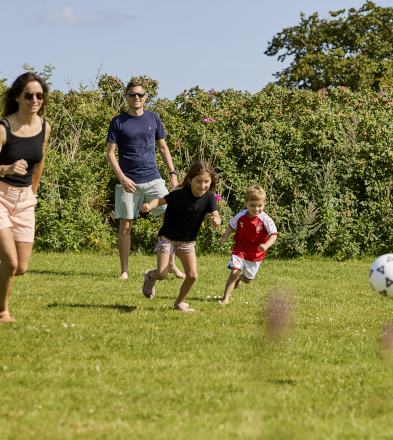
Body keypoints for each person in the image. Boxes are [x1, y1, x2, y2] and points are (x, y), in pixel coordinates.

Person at [0, 73, 51, 323]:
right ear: (17, 97)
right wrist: (7, 168)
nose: (34, 100)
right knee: (10, 262)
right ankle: (2, 311)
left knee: (21, 267)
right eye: (28, 95)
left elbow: (39, 164)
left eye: (39, 95)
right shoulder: (2, 128)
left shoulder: (45, 126)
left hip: (24, 198)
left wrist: (32, 195)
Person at [106, 78, 182, 281]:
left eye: (140, 94)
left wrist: (173, 173)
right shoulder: (118, 121)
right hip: (127, 182)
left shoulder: (154, 118)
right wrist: (121, 178)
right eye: (132, 94)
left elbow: (163, 148)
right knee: (125, 226)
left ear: (145, 97)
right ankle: (124, 270)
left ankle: (172, 265)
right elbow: (111, 154)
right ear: (126, 97)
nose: (136, 97)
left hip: (153, 178)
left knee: (171, 220)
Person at [140, 160, 222, 312]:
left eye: (206, 182)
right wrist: (149, 206)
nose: (202, 185)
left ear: (211, 182)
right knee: (162, 274)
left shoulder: (210, 197)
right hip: (168, 237)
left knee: (192, 276)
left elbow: (215, 216)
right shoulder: (180, 195)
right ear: (190, 180)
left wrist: (216, 221)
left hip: (187, 241)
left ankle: (179, 303)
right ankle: (150, 276)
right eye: (198, 181)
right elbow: (160, 200)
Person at [219, 184, 278, 305]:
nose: (256, 209)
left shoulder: (265, 219)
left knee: (248, 279)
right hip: (240, 249)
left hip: (255, 253)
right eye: (252, 205)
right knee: (233, 272)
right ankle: (225, 299)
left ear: (264, 204)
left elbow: (274, 234)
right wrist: (225, 237)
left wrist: (266, 245)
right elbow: (232, 225)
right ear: (246, 204)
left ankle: (240, 278)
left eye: (259, 206)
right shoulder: (241, 215)